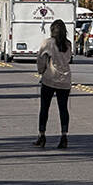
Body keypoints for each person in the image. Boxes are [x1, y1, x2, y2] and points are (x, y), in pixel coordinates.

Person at [34, 18, 72, 149]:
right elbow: (68, 58)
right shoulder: (68, 44)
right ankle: (64, 136)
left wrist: (41, 71)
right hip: (65, 79)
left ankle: (42, 135)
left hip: (50, 79)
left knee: (45, 108)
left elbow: (41, 59)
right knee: (63, 108)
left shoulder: (48, 43)